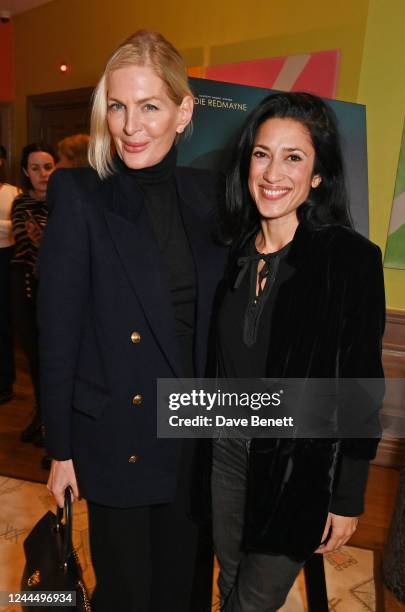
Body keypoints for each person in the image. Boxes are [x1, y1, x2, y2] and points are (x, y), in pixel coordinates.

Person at [38, 30, 226, 612]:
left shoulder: (213, 194)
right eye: (117, 106)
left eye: (149, 106)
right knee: (127, 592)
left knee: (187, 586)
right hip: (119, 427)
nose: (130, 125)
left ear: (183, 110)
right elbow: (57, 328)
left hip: (196, 428)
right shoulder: (80, 192)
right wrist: (61, 451)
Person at [211, 92, 385, 611]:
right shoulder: (226, 252)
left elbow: (361, 383)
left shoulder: (349, 260)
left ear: (317, 176)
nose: (272, 172)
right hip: (223, 451)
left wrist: (348, 495)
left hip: (298, 468)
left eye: (293, 157)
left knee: (253, 601)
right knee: (229, 582)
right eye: (262, 154)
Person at [10, 143, 56, 444]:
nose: (42, 174)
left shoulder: (65, 201)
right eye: (35, 168)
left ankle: (51, 423)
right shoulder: (21, 204)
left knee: (53, 357)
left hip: (53, 288)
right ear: (26, 172)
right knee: (34, 357)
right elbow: (31, 241)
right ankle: (41, 415)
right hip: (24, 285)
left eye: (48, 167)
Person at [0, 145, 19, 404]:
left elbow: (18, 227)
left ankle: (5, 381)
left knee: (3, 323)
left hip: (7, 260)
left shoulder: (13, 193)